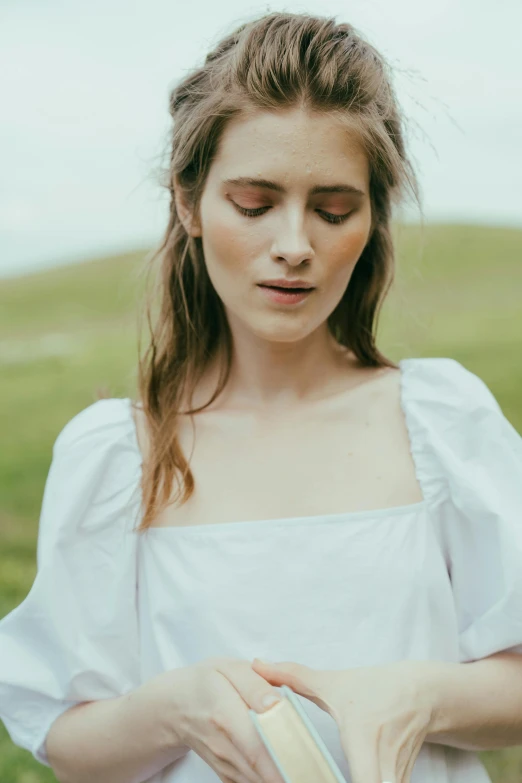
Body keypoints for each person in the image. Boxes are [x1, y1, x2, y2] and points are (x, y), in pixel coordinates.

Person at [1, 10, 521, 783]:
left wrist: (417, 693)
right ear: (189, 204)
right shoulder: (119, 455)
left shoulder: (444, 421)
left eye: (334, 209)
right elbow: (68, 741)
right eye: (253, 203)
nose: (295, 243)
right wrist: (174, 707)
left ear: (373, 217)